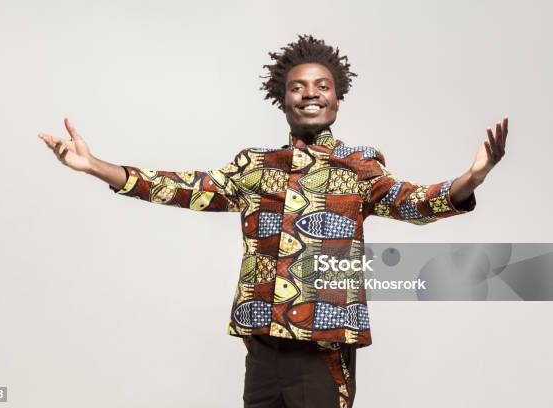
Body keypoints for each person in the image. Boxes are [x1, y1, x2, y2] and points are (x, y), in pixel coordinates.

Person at [38, 34, 508, 408]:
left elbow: (414, 203)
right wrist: (96, 165)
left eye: (322, 86)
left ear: (337, 99)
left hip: (322, 349)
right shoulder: (255, 166)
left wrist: (471, 177)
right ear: (282, 98)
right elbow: (185, 188)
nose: (310, 94)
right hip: (261, 349)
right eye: (298, 86)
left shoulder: (359, 166)